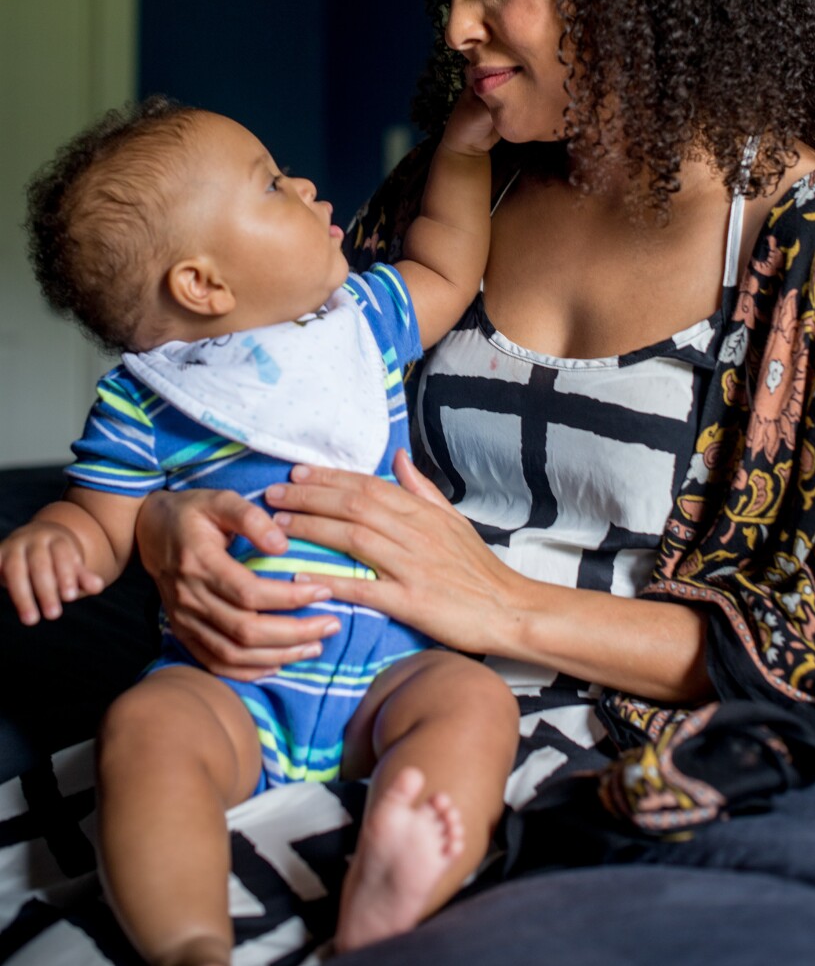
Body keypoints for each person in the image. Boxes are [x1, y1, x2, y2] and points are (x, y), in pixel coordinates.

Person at [135, 0, 815, 873]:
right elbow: (244, 394)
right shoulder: (454, 194)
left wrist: (502, 603)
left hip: (544, 743)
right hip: (315, 689)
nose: (454, 33)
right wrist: (170, 535)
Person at [0, 96, 519, 965]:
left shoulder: (360, 324)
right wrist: (58, 540)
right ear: (202, 284)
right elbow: (102, 519)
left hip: (387, 675)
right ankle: (191, 941)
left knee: (473, 701)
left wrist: (463, 154)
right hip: (228, 685)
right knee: (145, 730)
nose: (308, 185)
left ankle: (392, 899)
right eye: (273, 185)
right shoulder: (154, 396)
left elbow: (447, 262)